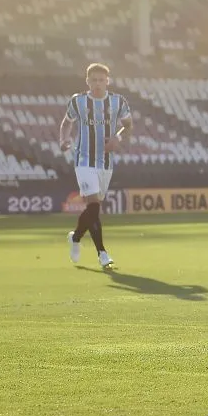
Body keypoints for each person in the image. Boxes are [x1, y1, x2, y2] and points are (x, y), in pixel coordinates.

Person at [60, 63, 132, 270]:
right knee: (93, 205)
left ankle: (75, 237)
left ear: (107, 81)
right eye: (94, 80)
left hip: (106, 161)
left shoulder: (118, 102)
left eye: (101, 80)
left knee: (93, 208)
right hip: (84, 159)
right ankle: (102, 253)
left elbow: (128, 125)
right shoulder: (78, 101)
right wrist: (64, 139)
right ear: (87, 81)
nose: (98, 84)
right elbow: (67, 122)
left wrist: (117, 138)